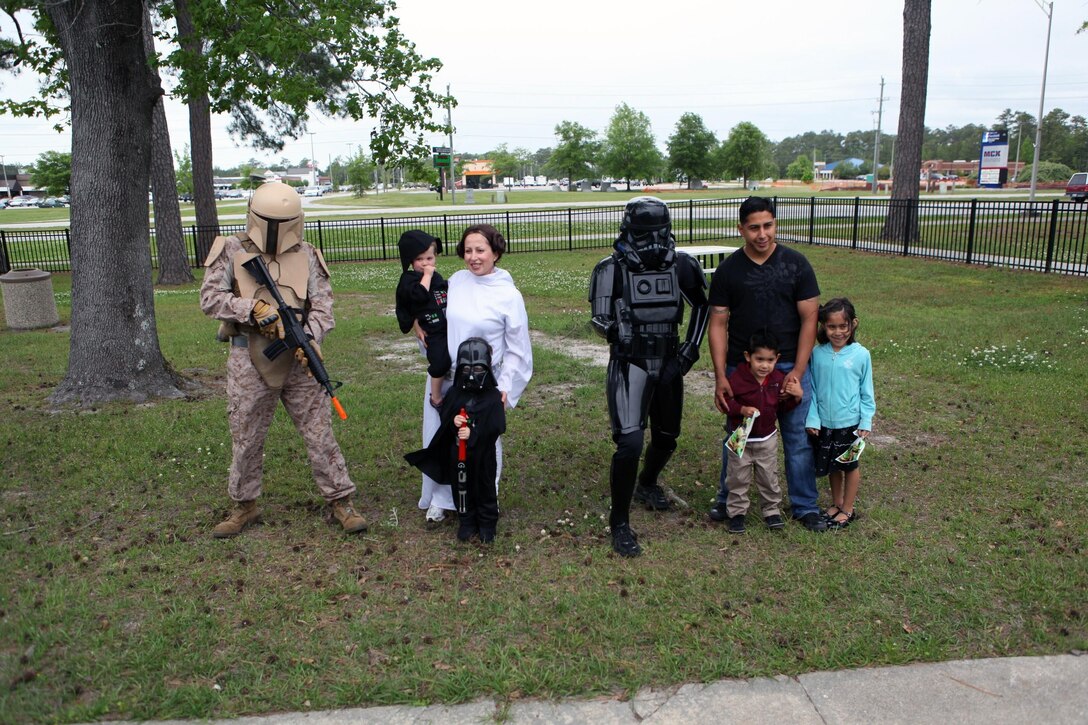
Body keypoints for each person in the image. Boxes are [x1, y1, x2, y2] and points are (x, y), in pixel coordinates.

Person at [200, 181, 366, 538]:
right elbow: (209, 299)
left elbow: (323, 307)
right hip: (248, 358)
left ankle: (341, 499)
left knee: (319, 434)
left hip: (298, 359)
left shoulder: (307, 254)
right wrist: (250, 309)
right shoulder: (230, 250)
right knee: (246, 436)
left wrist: (310, 337)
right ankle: (244, 505)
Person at [589, 196, 710, 557]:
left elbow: (702, 304)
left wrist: (692, 346)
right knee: (628, 443)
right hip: (630, 361)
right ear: (628, 231)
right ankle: (620, 522)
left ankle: (647, 482)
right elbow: (597, 317)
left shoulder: (684, 265)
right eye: (645, 233)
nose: (653, 241)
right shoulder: (609, 269)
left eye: (658, 232)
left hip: (671, 358)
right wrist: (612, 329)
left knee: (668, 437)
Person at [707, 197, 826, 532]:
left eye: (768, 225)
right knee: (738, 435)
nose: (762, 234)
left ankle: (805, 506)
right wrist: (721, 376)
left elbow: (809, 319)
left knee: (798, 438)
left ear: (776, 223)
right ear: (741, 228)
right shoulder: (729, 271)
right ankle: (727, 500)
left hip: (788, 365)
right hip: (742, 370)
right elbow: (717, 323)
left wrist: (798, 373)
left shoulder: (797, 265)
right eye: (754, 227)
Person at [415, 224, 532, 526]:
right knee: (442, 438)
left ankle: (484, 498)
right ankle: (442, 499)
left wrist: (506, 387)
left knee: (482, 443)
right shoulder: (455, 282)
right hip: (450, 378)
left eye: (480, 250)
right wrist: (419, 327)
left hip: (485, 384)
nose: (473, 257)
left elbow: (518, 347)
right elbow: (436, 318)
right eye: (468, 250)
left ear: (495, 252)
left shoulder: (508, 295)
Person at [405, 338, 506, 543]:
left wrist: (474, 433)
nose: (471, 374)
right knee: (462, 489)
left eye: (477, 367)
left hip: (483, 456)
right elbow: (445, 419)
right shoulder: (455, 394)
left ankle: (487, 524)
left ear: (486, 366)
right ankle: (467, 522)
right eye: (466, 368)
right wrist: (453, 421)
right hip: (458, 457)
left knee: (484, 488)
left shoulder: (493, 397)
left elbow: (497, 426)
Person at [720, 330, 803, 534]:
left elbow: (783, 408)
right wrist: (741, 410)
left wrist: (796, 398)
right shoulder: (737, 378)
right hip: (740, 437)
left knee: (768, 476)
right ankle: (737, 514)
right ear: (748, 357)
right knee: (737, 477)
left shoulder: (777, 380)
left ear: (777, 359)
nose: (764, 365)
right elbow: (726, 403)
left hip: (766, 439)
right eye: (759, 359)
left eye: (770, 360)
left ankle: (771, 511)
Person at [804, 298, 875, 530]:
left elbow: (867, 391)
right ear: (823, 326)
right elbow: (812, 390)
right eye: (831, 326)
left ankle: (848, 509)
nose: (837, 332)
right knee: (832, 465)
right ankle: (836, 503)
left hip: (850, 423)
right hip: (825, 422)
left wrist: (865, 420)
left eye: (842, 326)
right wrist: (813, 418)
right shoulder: (817, 353)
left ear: (853, 324)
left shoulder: (861, 355)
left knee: (849, 465)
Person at [395, 230, 450, 408]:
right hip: (432, 330)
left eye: (429, 258)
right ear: (411, 261)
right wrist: (426, 276)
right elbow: (418, 297)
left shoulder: (437, 277)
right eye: (419, 259)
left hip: (448, 325)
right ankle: (436, 398)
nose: (425, 263)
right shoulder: (409, 280)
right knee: (440, 362)